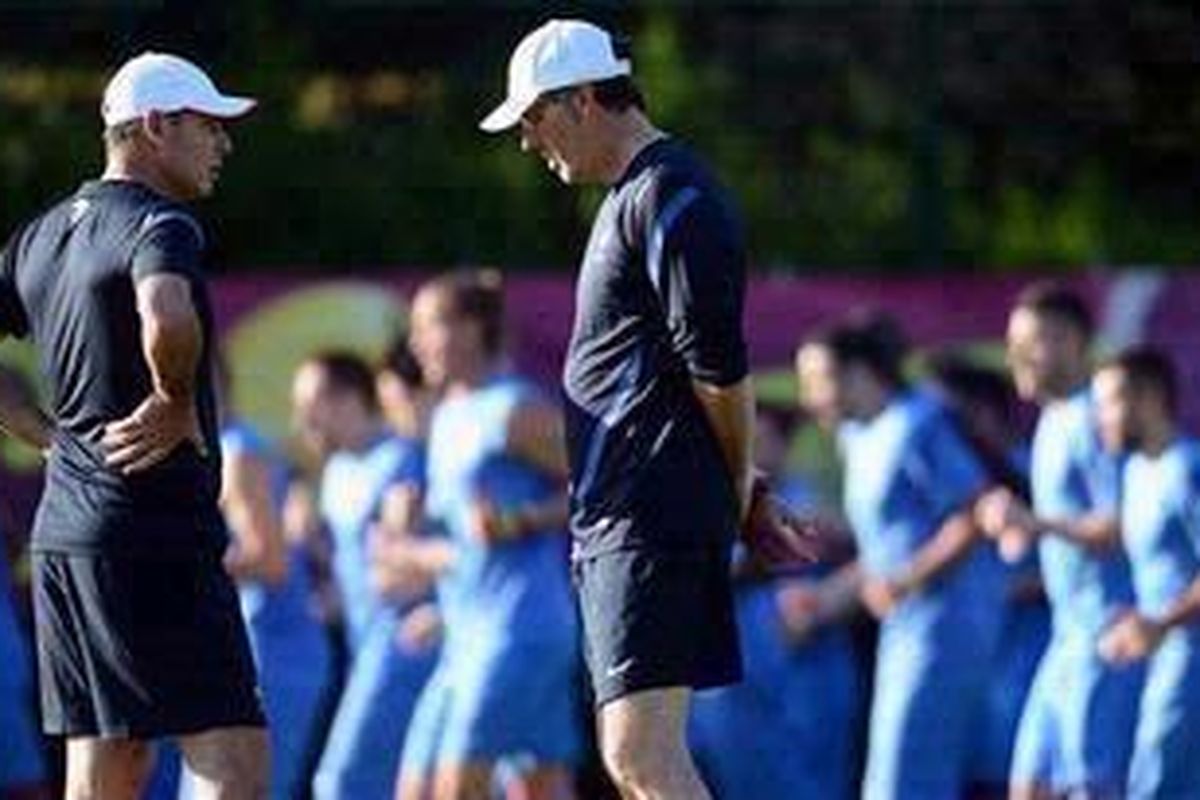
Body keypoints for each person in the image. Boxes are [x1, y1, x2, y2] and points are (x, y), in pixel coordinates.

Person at [480, 19, 780, 799]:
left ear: (583, 100)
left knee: (639, 755)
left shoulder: (669, 194)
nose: (527, 142)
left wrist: (740, 485)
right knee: (638, 754)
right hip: (633, 514)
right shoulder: (640, 195)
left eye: (534, 118)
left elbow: (718, 367)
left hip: (649, 515)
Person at [0, 52, 266, 799]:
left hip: (65, 535)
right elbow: (168, 314)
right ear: (154, 126)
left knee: (109, 765)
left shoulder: (41, 233)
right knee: (232, 758)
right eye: (208, 126)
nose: (224, 144)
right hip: (152, 530)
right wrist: (174, 398)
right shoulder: (160, 220)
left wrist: (45, 433)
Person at [796, 314, 1006, 799]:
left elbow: (973, 514)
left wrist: (907, 580)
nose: (810, 398)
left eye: (818, 381)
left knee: (907, 777)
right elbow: (886, 546)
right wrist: (824, 598)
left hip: (947, 624)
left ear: (859, 373)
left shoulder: (918, 424)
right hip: (905, 627)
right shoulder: (858, 438)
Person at [391, 272, 580, 800]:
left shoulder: (515, 409)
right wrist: (414, 523)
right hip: (465, 634)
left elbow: (604, 491)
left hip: (521, 631)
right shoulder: (448, 414)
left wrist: (522, 520)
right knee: (424, 788)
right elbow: (466, 532)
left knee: (453, 791)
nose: (414, 343)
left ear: (472, 330)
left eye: (426, 326)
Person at [976, 282, 1143, 798]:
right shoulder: (1051, 420)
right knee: (1030, 786)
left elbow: (1125, 524)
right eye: (1012, 342)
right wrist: (1014, 531)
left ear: (1074, 342)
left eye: (1033, 341)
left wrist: (1036, 524)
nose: (1016, 356)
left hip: (1108, 633)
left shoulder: (1099, 415)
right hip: (1066, 637)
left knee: (1092, 787)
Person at [688, 406, 861, 800]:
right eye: (741, 444)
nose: (751, 455)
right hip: (728, 684)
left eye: (761, 443)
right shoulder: (709, 507)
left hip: (806, 673)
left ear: (784, 447)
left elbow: (871, 556)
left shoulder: (812, 507)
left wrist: (826, 596)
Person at [291, 351, 436, 800]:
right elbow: (352, 572)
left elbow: (418, 556)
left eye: (311, 400)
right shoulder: (335, 472)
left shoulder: (401, 458)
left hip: (405, 646)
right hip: (361, 648)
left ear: (350, 397)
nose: (302, 417)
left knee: (342, 783)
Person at [209, 355, 334, 800]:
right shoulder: (228, 448)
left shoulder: (237, 454)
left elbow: (269, 560)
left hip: (277, 655)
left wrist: (178, 568)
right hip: (256, 652)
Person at [927, 355, 1051, 796]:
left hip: (1027, 656)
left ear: (982, 414)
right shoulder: (952, 482)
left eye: (945, 417)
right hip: (974, 664)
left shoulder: (1033, 471)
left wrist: (1006, 589)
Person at [1092, 347, 1200, 798]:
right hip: (1162, 652)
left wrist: (1162, 622)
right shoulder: (1136, 469)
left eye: (1110, 403)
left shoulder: (1189, 468)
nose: (1100, 419)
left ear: (1150, 398)